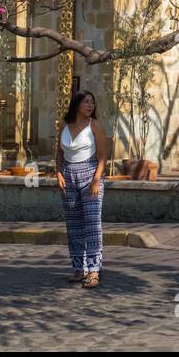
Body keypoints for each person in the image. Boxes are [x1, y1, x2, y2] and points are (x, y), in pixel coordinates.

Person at [55, 90, 108, 288]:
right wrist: (58, 173)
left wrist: (96, 181)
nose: (90, 105)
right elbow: (59, 153)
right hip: (68, 175)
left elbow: (103, 156)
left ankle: (94, 270)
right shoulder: (65, 126)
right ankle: (79, 268)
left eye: (92, 102)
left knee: (92, 224)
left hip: (90, 174)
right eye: (86, 102)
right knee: (74, 224)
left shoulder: (95, 126)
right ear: (77, 104)